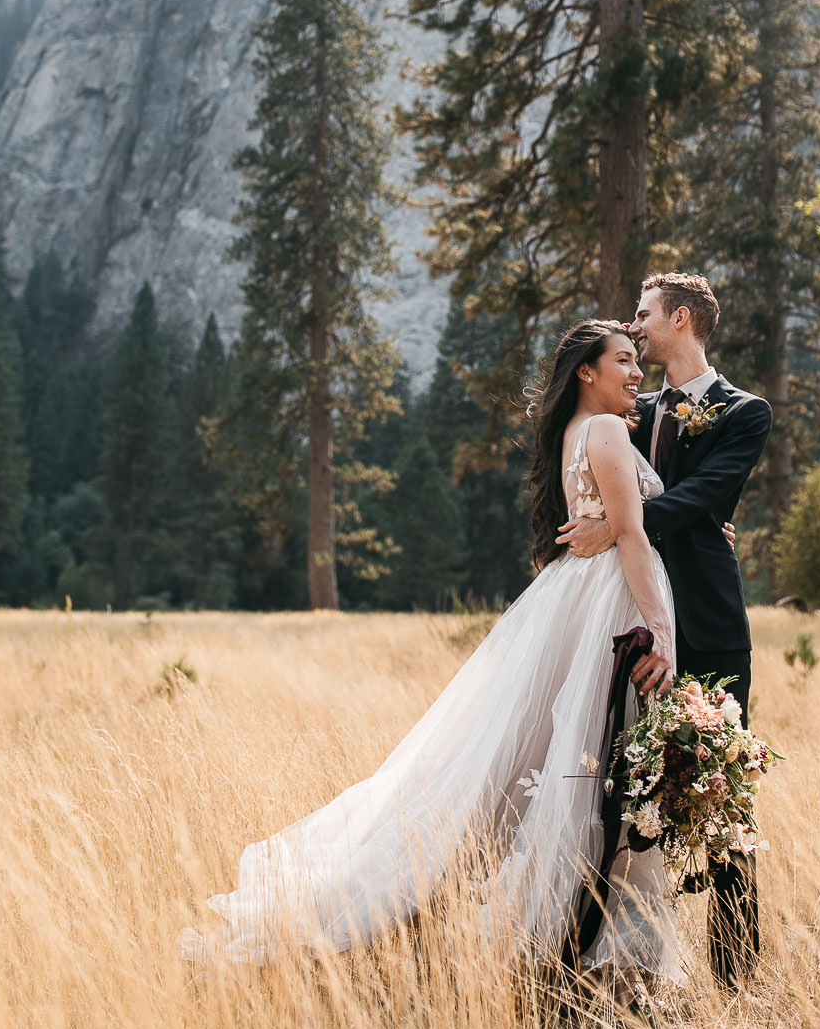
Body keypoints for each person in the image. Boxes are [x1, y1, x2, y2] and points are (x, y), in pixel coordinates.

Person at [182, 319, 734, 975]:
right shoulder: (608, 430)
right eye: (622, 361)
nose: (636, 374)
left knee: (566, 767)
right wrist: (663, 635)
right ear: (586, 371)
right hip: (611, 608)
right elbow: (634, 537)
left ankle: (582, 938)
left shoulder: (576, 430)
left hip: (580, 601)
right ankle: (581, 943)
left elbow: (631, 522)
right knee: (591, 773)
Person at [557, 271, 772, 989]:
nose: (635, 326)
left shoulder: (746, 412)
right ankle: (594, 956)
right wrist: (616, 523)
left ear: (680, 319)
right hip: (637, 628)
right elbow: (640, 489)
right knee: (616, 795)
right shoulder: (629, 409)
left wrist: (617, 526)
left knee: (723, 797)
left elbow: (705, 496)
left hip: (706, 623)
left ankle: (736, 976)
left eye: (644, 315)